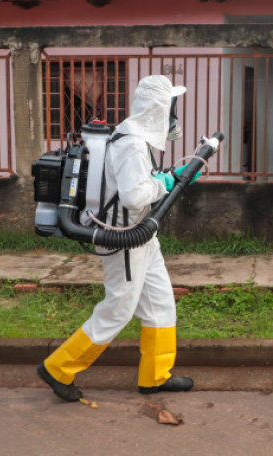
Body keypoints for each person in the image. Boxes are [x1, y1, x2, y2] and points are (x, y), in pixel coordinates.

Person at [37, 75, 194, 400]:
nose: (173, 115)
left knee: (161, 303)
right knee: (118, 309)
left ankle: (155, 376)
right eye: (171, 106)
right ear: (158, 108)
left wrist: (165, 177)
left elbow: (136, 185)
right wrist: (165, 183)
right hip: (123, 237)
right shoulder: (132, 144)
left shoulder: (134, 137)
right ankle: (58, 368)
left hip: (142, 235)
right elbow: (134, 197)